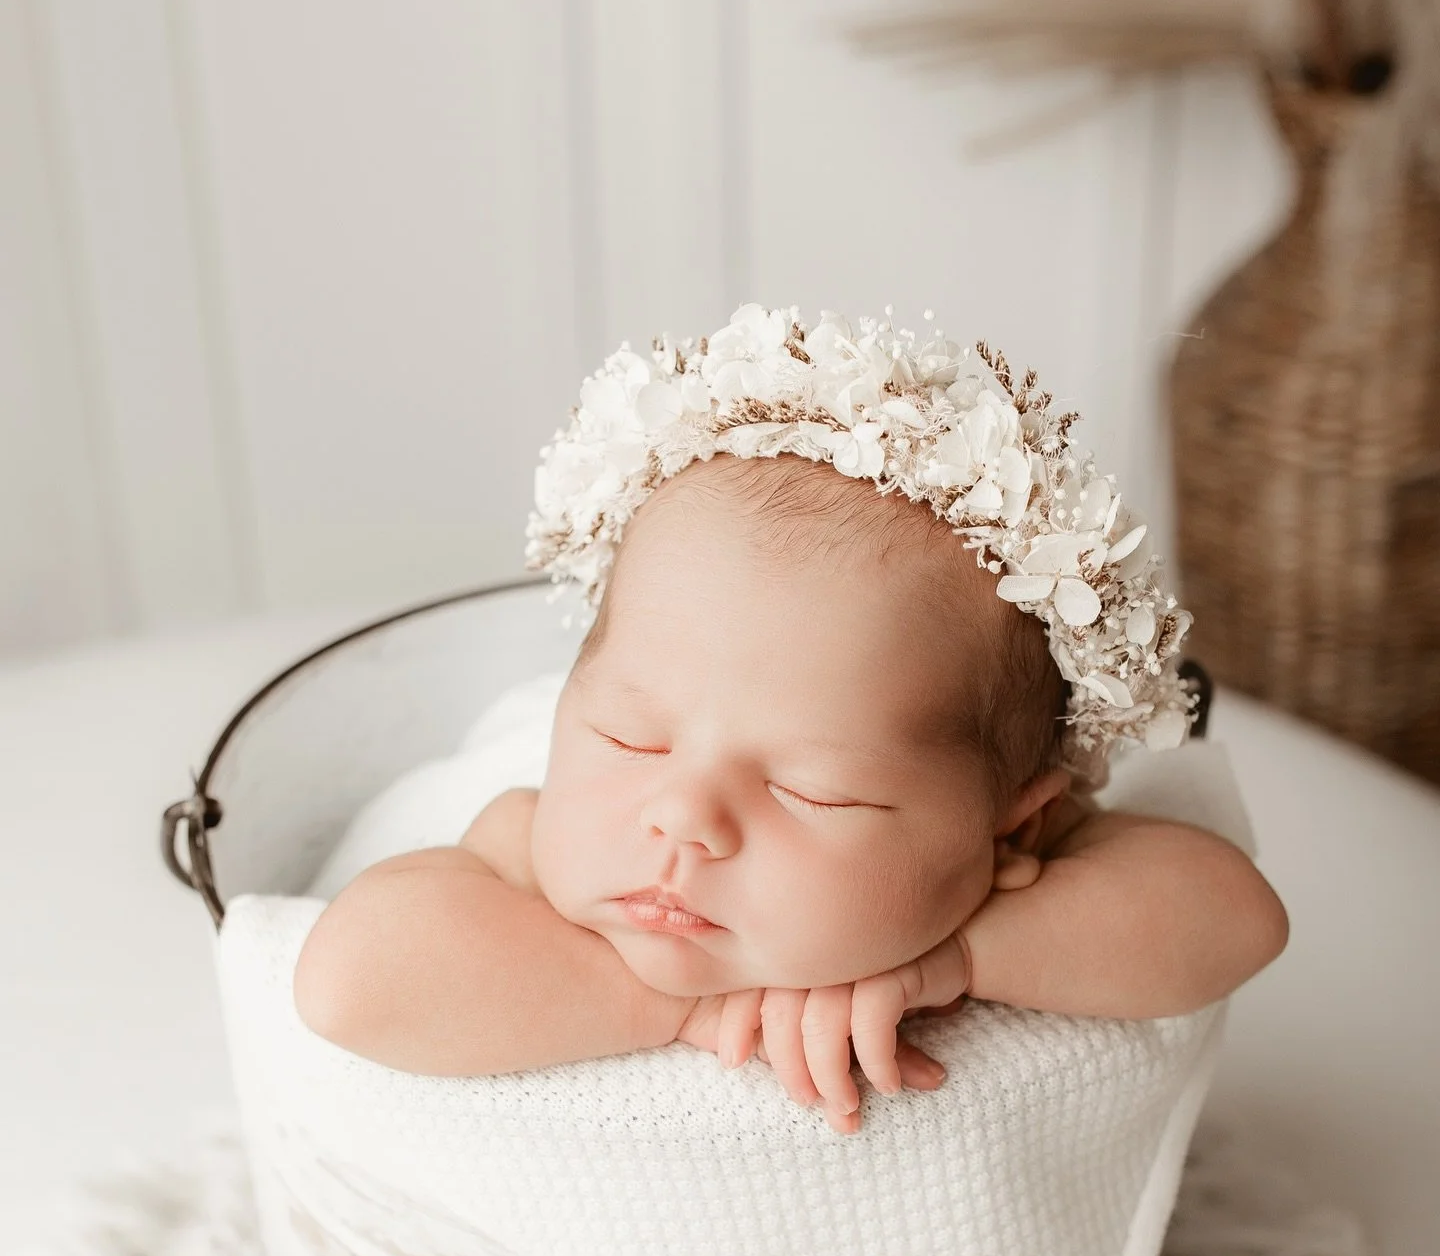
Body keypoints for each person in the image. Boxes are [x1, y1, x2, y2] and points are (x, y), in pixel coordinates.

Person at [294, 307, 1288, 1134]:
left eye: (814, 790)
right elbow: (350, 984)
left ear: (1010, 827)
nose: (682, 817)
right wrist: (672, 1004)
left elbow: (1238, 921)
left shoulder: (1008, 872)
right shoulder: (531, 850)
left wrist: (959, 955)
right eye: (630, 739)